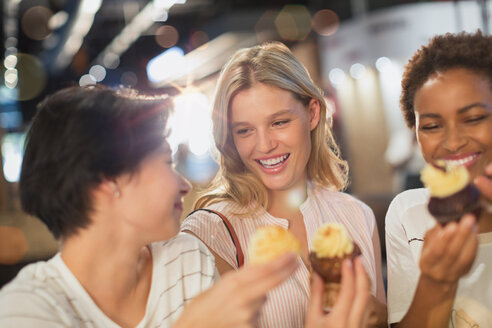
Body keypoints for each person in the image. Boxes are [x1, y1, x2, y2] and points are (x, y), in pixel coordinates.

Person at [0, 85, 371, 328]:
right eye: (165, 162)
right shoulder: (23, 310)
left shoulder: (185, 258)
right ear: (106, 181)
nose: (183, 183)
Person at [181, 41, 387, 327]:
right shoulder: (208, 234)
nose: (264, 145)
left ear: (313, 113)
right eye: (245, 130)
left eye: (279, 122)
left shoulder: (357, 215)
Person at [385, 30, 492, 328]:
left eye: (473, 119)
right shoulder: (409, 213)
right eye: (432, 126)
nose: (454, 142)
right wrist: (435, 281)